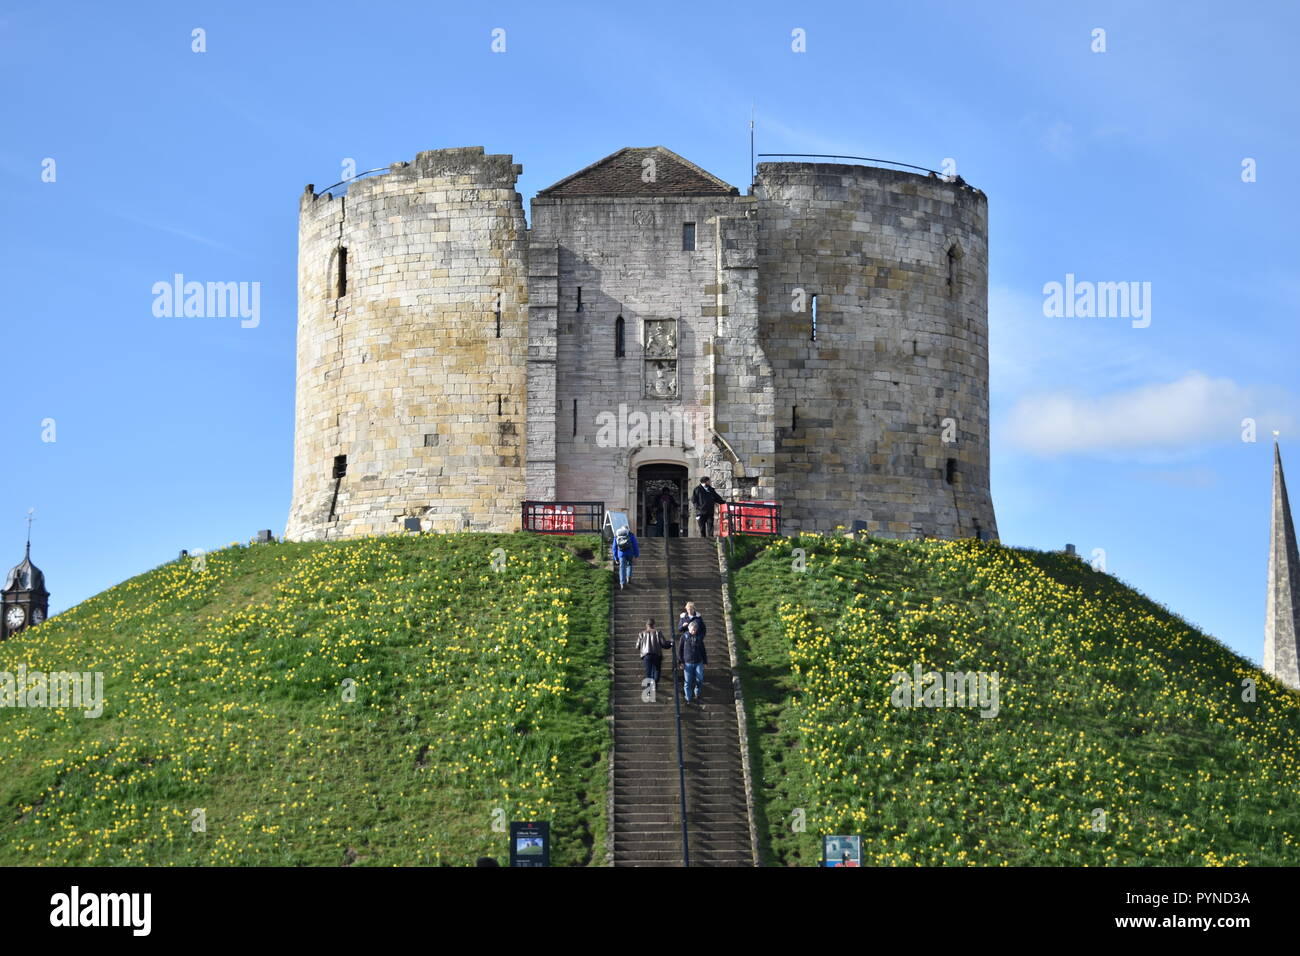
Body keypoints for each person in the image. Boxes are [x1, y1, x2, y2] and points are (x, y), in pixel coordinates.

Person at [636, 617, 671, 691]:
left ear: (646, 625)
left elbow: (637, 646)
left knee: (648, 672)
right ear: (654, 625)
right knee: (657, 670)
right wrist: (671, 643)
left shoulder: (641, 633)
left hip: (646, 655)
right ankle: (654, 683)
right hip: (656, 654)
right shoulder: (658, 632)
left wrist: (643, 647)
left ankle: (648, 690)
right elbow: (664, 644)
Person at [679, 619, 707, 706]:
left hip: (698, 662)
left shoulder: (699, 638)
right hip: (687, 663)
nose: (694, 631)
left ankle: (697, 692)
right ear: (689, 628)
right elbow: (680, 650)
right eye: (693, 629)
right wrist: (680, 662)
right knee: (687, 682)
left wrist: (705, 661)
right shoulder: (684, 637)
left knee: (700, 678)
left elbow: (703, 650)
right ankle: (688, 698)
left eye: (695, 629)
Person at [612, 524, 639, 589]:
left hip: (621, 554)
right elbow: (635, 545)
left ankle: (622, 583)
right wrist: (636, 555)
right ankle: (628, 577)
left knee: (622, 568)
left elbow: (614, 547)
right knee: (629, 565)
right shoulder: (631, 535)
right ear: (628, 529)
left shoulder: (617, 535)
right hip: (630, 553)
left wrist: (615, 557)